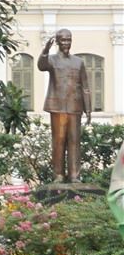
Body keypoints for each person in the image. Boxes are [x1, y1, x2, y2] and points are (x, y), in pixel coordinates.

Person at [37, 29, 92, 184]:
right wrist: (46, 50)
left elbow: (85, 86)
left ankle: (75, 175)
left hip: (75, 108)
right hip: (57, 106)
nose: (66, 43)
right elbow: (41, 66)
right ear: (58, 41)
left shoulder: (78, 62)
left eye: (69, 40)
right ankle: (58, 175)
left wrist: (88, 109)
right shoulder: (52, 59)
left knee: (74, 141)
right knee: (59, 141)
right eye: (63, 40)